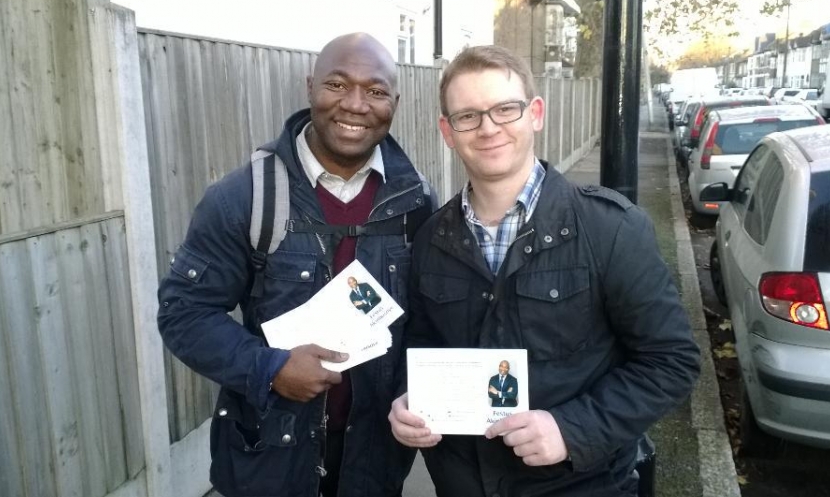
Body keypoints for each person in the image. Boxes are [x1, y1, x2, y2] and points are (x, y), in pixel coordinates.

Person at [387, 45, 701, 497]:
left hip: (582, 486)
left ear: (534, 113)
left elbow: (671, 360)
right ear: (447, 132)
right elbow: (421, 340)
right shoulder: (431, 237)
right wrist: (407, 400)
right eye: (468, 116)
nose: (488, 127)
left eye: (505, 109)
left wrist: (572, 429)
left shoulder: (609, 228)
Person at [157, 32, 436, 497]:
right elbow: (183, 314)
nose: (354, 104)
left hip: (374, 464)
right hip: (269, 460)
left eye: (375, 91)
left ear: (395, 102)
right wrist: (269, 368)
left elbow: (429, 322)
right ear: (311, 87)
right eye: (336, 84)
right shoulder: (245, 198)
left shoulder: (415, 201)